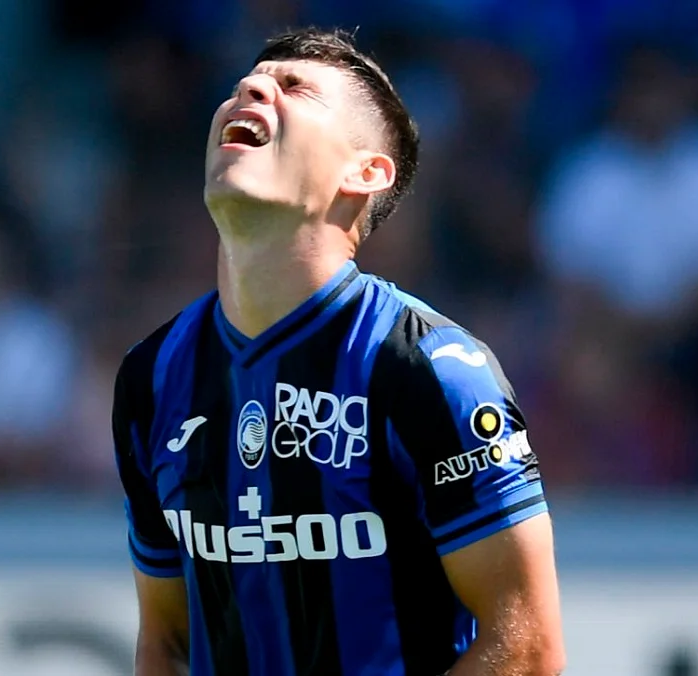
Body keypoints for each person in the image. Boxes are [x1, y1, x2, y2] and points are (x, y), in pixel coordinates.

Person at [112, 28, 565, 676]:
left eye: (294, 88)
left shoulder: (427, 370)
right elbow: (167, 641)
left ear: (365, 172)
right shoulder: (151, 379)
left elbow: (525, 647)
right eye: (245, 83)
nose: (251, 87)